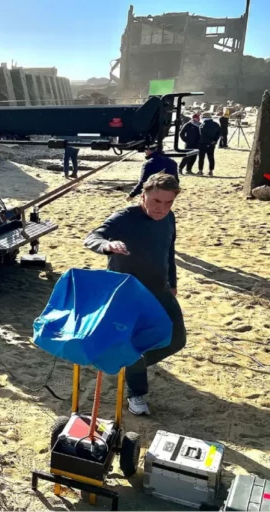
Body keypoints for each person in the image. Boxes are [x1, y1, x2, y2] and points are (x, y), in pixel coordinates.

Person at [84, 173, 185, 416]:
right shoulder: (124, 217)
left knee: (177, 339)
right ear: (143, 195)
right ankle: (136, 392)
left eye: (168, 202)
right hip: (127, 293)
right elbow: (92, 237)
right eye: (156, 201)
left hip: (159, 288)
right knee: (136, 343)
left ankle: (129, 362)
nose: (162, 208)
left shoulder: (168, 217)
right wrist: (107, 246)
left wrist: (172, 282)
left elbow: (168, 251)